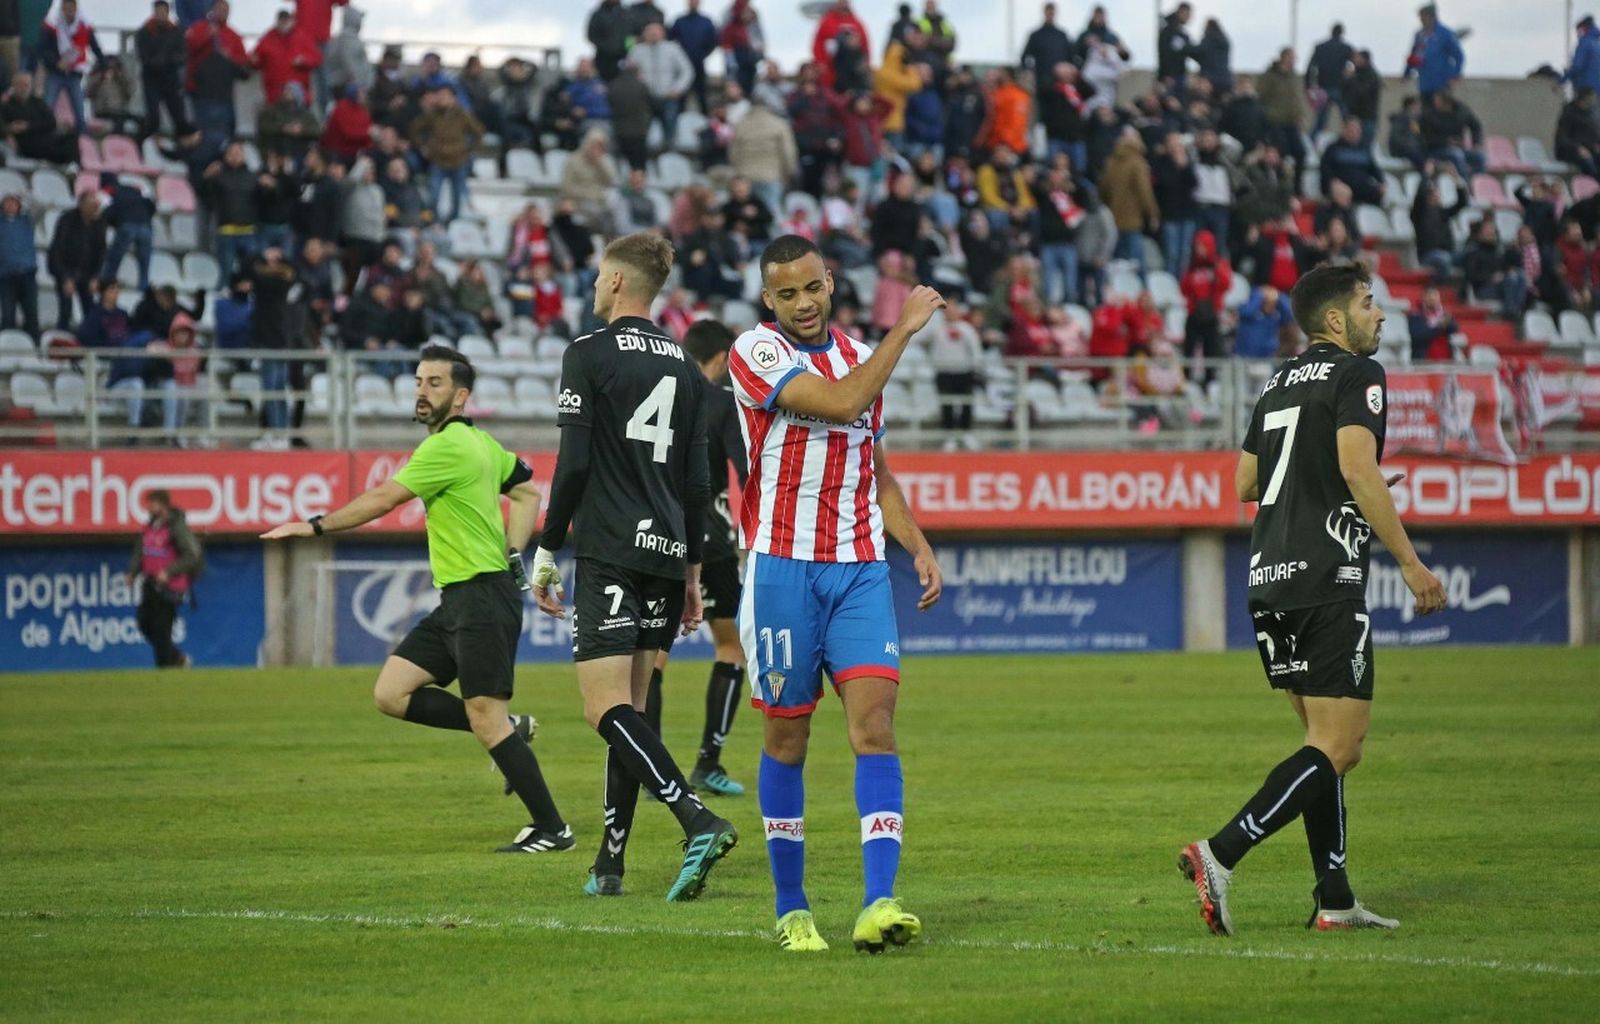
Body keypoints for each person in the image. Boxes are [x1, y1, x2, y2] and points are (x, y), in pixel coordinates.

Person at [1179, 262, 1446, 937]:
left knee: (1320, 746)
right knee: (1341, 747)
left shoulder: (1278, 381)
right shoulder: (1359, 374)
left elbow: (1245, 482)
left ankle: (1335, 897)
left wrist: (1332, 480)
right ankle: (1220, 853)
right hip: (1326, 576)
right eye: (1368, 302)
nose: (1380, 314)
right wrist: (1410, 562)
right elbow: (1357, 467)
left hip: (1270, 577)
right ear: (1335, 319)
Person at [262, 345, 573, 853]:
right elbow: (527, 492)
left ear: (461, 396)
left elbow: (384, 499)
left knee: (483, 715)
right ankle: (512, 729)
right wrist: (514, 552)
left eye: (434, 383)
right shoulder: (481, 443)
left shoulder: (447, 447)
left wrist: (315, 526)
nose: (422, 391)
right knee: (391, 693)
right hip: (460, 599)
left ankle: (553, 828)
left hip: (481, 597)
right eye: (418, 382)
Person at [728, 233, 944, 953]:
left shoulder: (859, 355)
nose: (803, 303)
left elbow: (874, 467)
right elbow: (845, 402)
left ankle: (880, 901)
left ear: (830, 282)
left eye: (813, 287)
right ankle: (792, 909)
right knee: (786, 738)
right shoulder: (756, 351)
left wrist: (916, 544)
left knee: (875, 727)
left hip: (858, 570)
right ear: (769, 300)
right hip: (782, 570)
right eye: (787, 293)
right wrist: (903, 328)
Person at [528, 232, 738, 901]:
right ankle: (609, 863)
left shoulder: (587, 353)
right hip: (669, 552)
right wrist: (693, 572)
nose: (594, 285)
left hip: (612, 549)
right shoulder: (686, 368)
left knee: (604, 709)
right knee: (634, 712)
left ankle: (697, 819)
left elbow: (574, 465)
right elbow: (699, 485)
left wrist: (546, 548)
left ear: (618, 281)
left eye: (599, 275)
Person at [626, 319, 754, 810]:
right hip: (709, 538)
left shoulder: (653, 391)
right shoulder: (721, 401)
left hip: (653, 533)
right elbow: (745, 468)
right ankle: (708, 762)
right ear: (721, 358)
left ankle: (651, 769)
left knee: (652, 654)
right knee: (731, 646)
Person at [127, 490, 203, 668]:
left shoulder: (176, 527)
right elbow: (141, 552)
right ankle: (177, 658)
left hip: (170, 586)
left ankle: (165, 668)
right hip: (150, 582)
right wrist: (133, 572)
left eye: (152, 503)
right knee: (144, 623)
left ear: (163, 505)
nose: (149, 507)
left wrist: (169, 572)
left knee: (162, 628)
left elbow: (192, 555)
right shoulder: (150, 527)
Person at [35, 0, 101, 135]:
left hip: (74, 74)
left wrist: (104, 65)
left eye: (71, 9)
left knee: (79, 109)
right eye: (66, 9)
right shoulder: (51, 26)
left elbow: (95, 47)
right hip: (55, 73)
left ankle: (82, 137)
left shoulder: (84, 26)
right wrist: (56, 62)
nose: (69, 12)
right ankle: (44, 134)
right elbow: (41, 49)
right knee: (48, 107)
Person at [47, 190, 105, 330]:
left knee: (90, 311)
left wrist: (95, 277)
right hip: (66, 270)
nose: (95, 209)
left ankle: (88, 339)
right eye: (92, 205)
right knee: (66, 310)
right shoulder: (67, 220)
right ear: (82, 205)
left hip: (87, 272)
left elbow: (101, 252)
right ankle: (61, 337)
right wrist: (65, 277)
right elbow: (57, 250)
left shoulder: (99, 223)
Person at [135, 1, 187, 135]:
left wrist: (168, 60)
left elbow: (182, 54)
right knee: (153, 116)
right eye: (158, 11)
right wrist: (156, 61)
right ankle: (149, 140)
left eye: (163, 11)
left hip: (171, 79)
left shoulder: (176, 32)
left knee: (178, 116)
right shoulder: (145, 32)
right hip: (151, 79)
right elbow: (142, 55)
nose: (161, 14)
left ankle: (181, 142)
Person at [101, 173, 157, 293]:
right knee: (144, 261)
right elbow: (151, 205)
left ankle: (107, 286)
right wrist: (145, 218)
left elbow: (107, 212)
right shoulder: (134, 189)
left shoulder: (109, 191)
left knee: (115, 257)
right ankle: (143, 289)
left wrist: (114, 222)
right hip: (145, 225)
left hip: (126, 225)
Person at [1403, 3, 1463, 102]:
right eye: (1421, 17)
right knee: (1426, 110)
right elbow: (1414, 56)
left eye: (1424, 17)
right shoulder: (1420, 35)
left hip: (1441, 83)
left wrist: (1454, 75)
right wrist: (1406, 73)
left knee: (1440, 109)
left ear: (1432, 17)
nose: (1422, 20)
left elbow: (1459, 56)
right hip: (1424, 83)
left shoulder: (1445, 34)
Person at [0, 192, 37, 338]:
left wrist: (25, 195)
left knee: (31, 313)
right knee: (8, 314)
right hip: (6, 275)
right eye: (7, 202)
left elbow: (40, 207)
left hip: (27, 274)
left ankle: (35, 345)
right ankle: (6, 346)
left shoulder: (27, 221)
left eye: (14, 202)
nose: (11, 205)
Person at [1305, 24, 1352, 137]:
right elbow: (1356, 66)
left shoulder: (1320, 47)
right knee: (1347, 120)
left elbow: (1310, 67)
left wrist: (1308, 85)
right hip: (1340, 88)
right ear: (1342, 33)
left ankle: (1311, 142)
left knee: (1320, 122)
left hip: (1323, 87)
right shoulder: (1346, 48)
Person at [1021, 2, 1072, 78]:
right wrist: (1029, 71)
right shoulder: (1036, 36)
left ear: (1055, 13)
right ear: (1044, 13)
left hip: (1060, 79)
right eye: (1048, 12)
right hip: (1042, 77)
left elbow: (1070, 56)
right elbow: (1025, 57)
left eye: (1051, 13)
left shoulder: (1062, 35)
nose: (1050, 15)